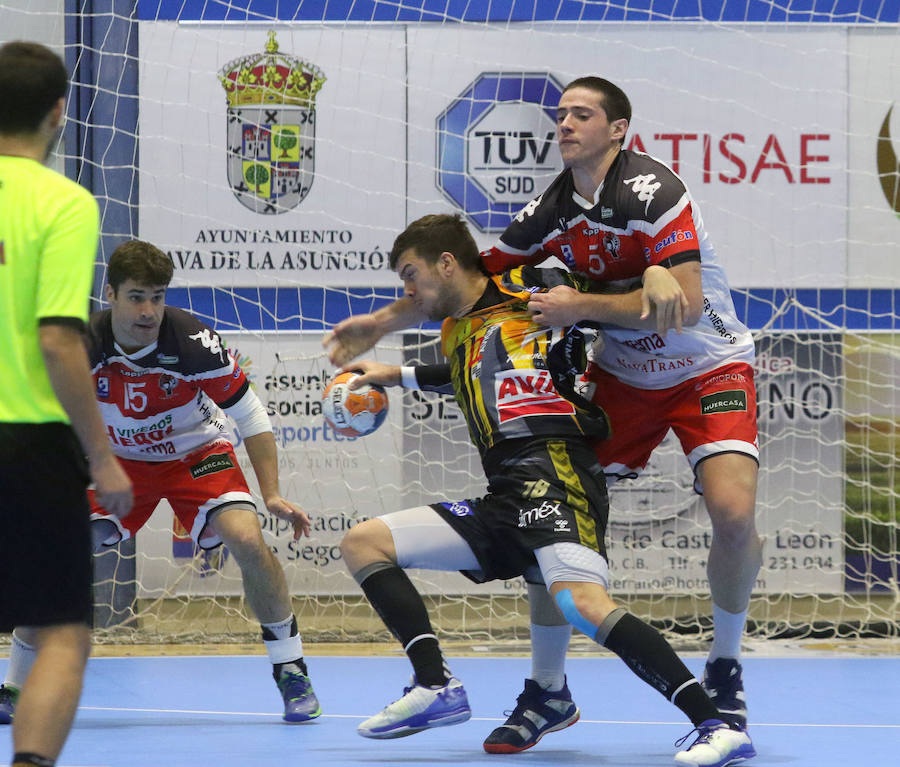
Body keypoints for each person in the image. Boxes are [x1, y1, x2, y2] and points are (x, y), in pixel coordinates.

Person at [324, 77, 761, 752]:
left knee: (729, 513)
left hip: (704, 364)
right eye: (559, 114)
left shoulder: (652, 191)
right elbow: (466, 276)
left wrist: (589, 301)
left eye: (580, 114)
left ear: (617, 128)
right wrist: (382, 328)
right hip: (623, 378)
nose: (563, 123)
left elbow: (685, 301)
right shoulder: (547, 214)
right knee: (547, 549)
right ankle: (547, 690)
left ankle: (723, 669)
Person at [0, 240, 321, 726]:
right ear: (110, 293)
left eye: (157, 296)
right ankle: (16, 687)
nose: (148, 310)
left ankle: (291, 668)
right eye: (136, 297)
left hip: (196, 455)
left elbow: (249, 413)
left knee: (247, 539)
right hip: (117, 460)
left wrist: (271, 493)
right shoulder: (84, 343)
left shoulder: (192, 342)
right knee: (57, 548)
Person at [0, 41, 133, 767]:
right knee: (58, 629)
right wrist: (103, 457)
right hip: (28, 445)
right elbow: (58, 340)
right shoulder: (64, 201)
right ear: (59, 112)